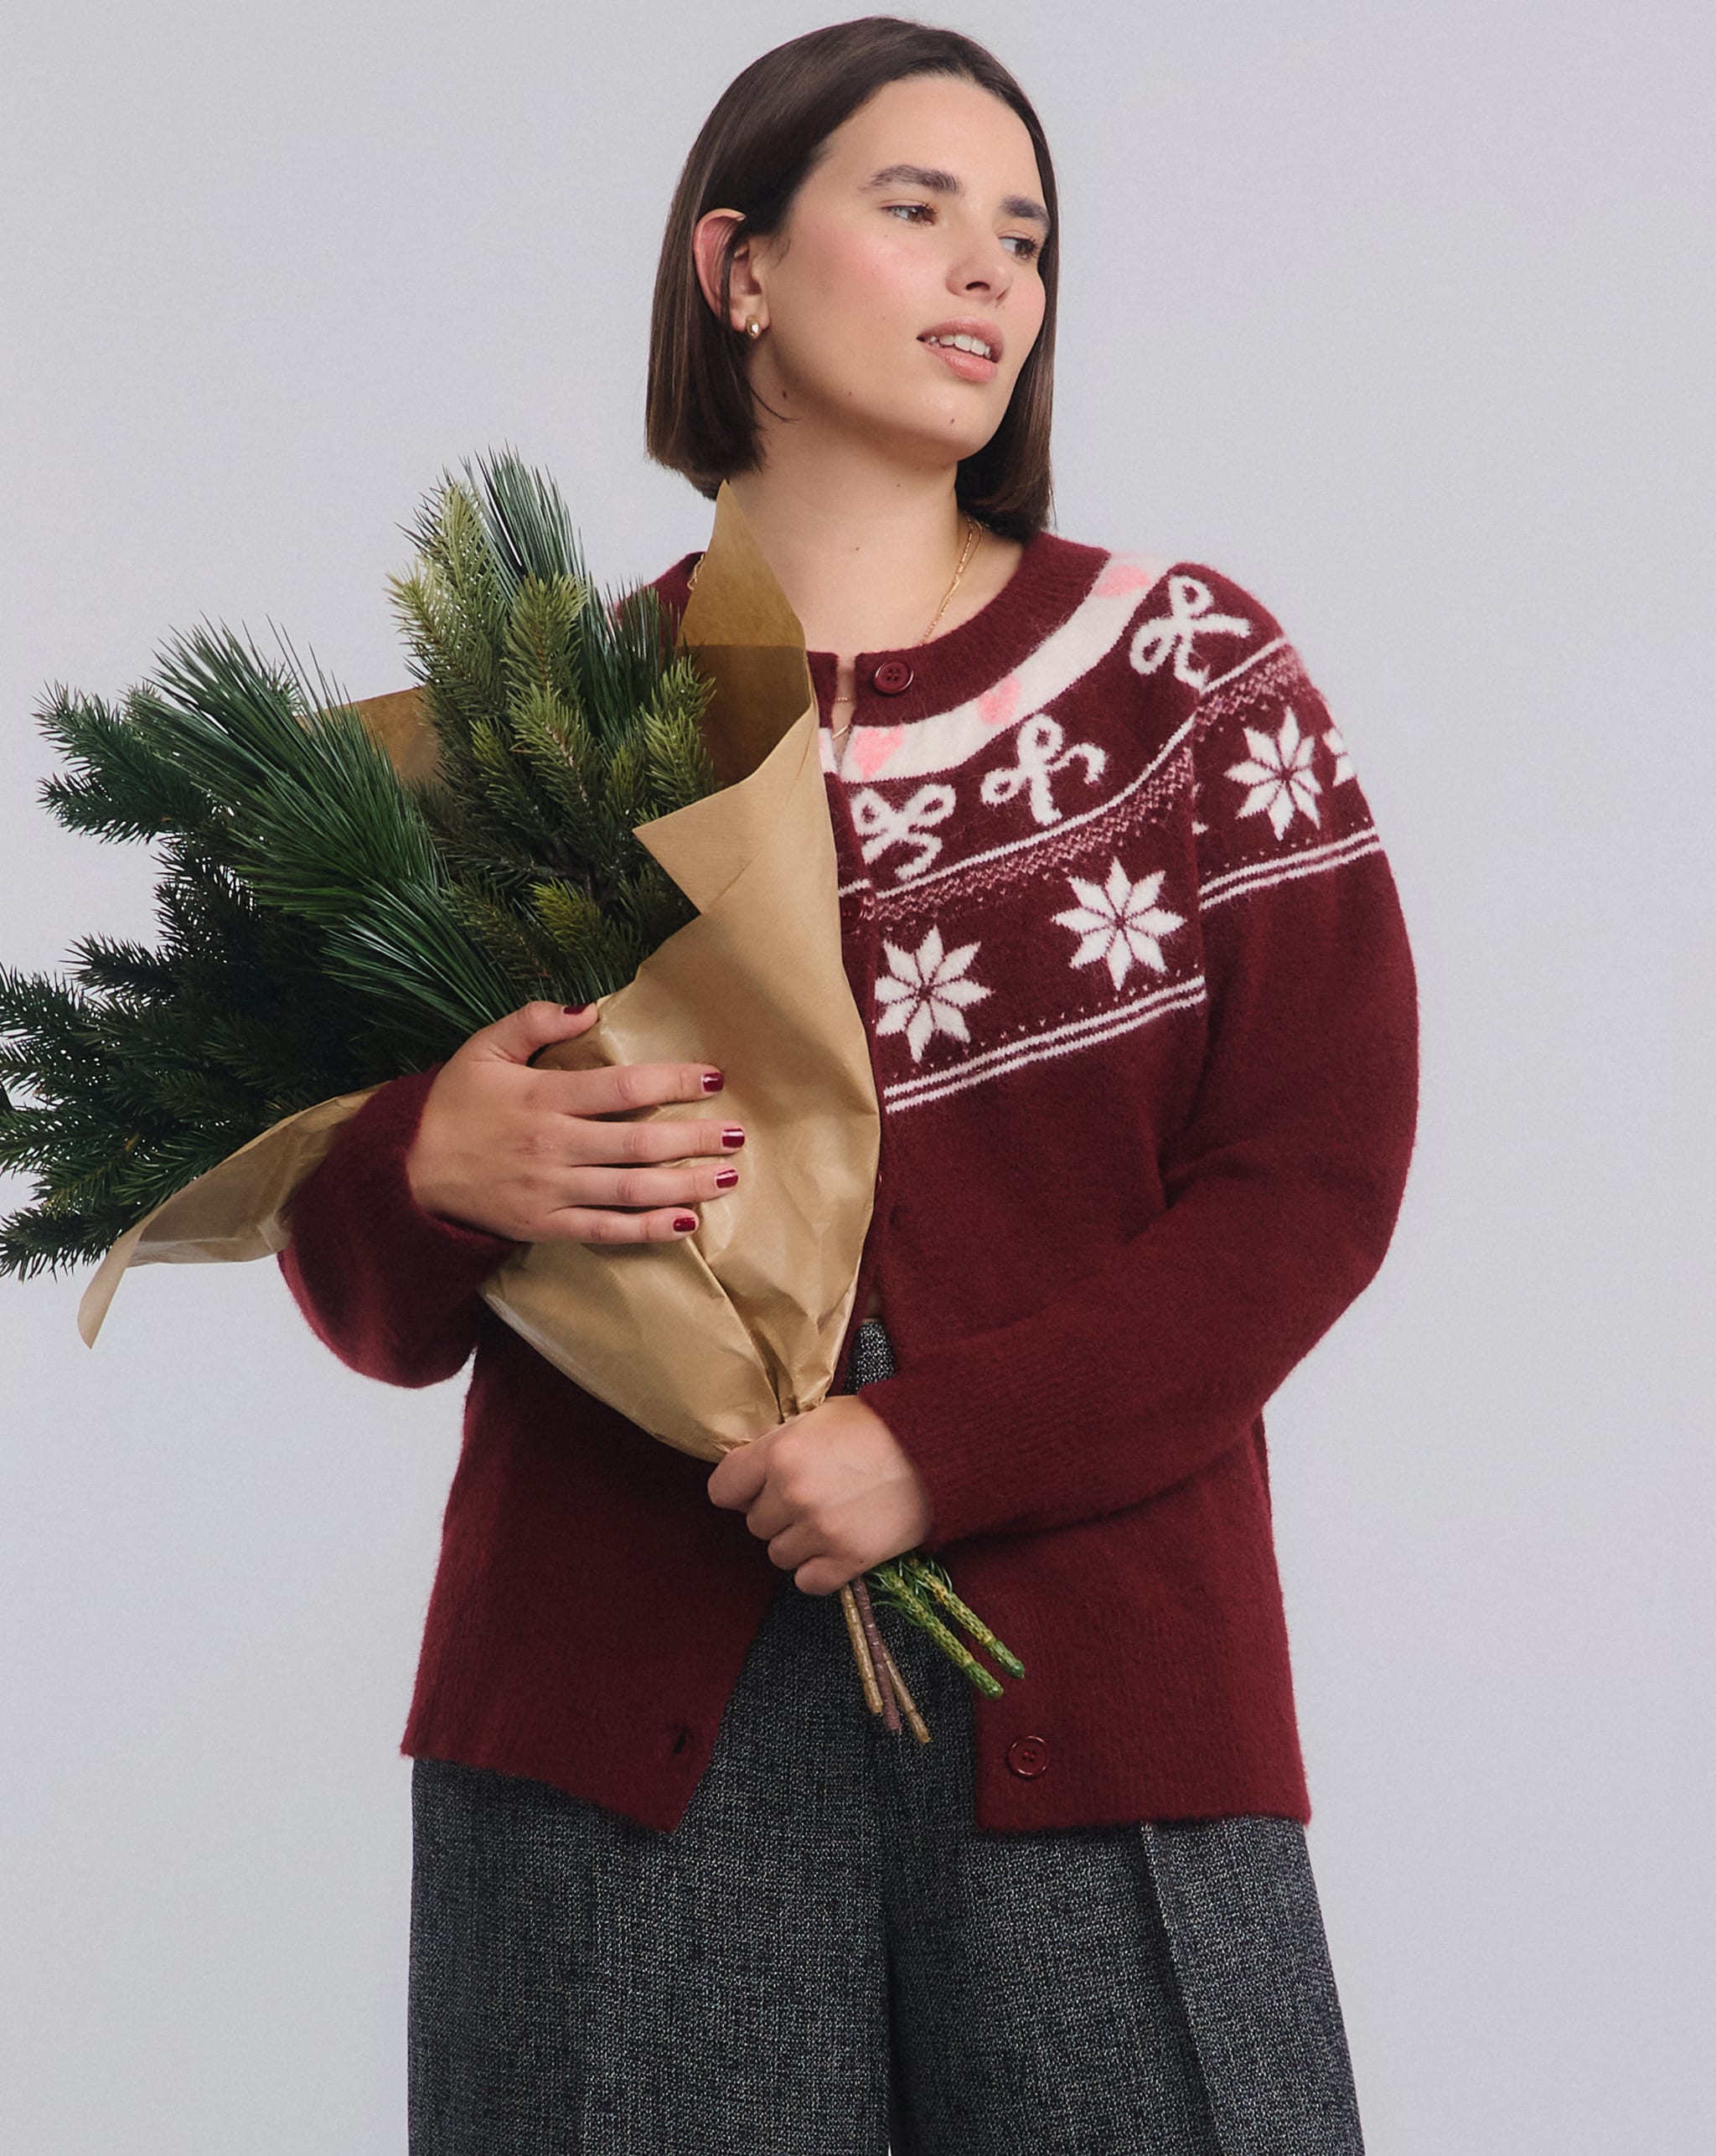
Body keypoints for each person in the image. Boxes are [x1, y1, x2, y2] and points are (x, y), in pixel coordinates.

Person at [280, 18, 1419, 2153]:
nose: (991, 272)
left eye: (1026, 237)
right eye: (916, 210)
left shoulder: (1188, 680)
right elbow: (361, 1293)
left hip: (1097, 1696)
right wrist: (430, 1162)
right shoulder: (544, 729)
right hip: (614, 1735)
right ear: (737, 269)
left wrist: (934, 1448)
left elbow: (1309, 1185)